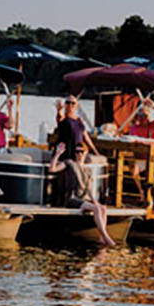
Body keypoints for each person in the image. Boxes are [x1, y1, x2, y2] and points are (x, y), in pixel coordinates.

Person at [47, 96, 115, 246]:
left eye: (73, 103)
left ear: (77, 106)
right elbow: (59, 119)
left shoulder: (79, 121)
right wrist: (59, 111)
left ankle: (102, 236)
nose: (70, 105)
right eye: (68, 102)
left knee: (91, 194)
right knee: (69, 180)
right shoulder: (64, 119)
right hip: (66, 154)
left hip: (77, 156)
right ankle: (104, 236)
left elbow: (85, 137)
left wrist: (94, 150)